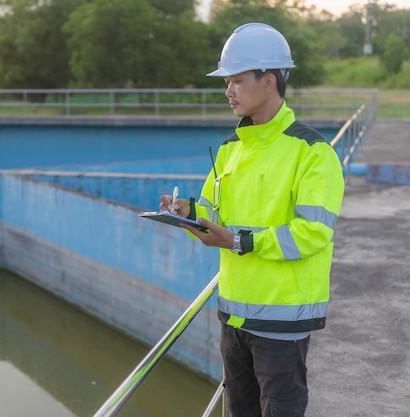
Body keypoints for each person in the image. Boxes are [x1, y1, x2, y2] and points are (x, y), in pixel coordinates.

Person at [159, 23, 345, 417]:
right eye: (227, 82)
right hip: (234, 321)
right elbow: (214, 213)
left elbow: (313, 234)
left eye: (236, 81)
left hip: (281, 326)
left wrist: (239, 241)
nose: (228, 91)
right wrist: (188, 213)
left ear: (269, 81)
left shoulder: (312, 152)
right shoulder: (231, 149)